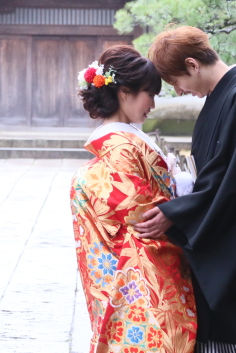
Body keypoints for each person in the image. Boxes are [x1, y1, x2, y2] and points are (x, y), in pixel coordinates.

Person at [134, 26, 236, 352]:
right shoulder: (220, 101)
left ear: (193, 65)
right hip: (228, 237)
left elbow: (232, 184)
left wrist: (173, 214)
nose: (179, 92)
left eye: (176, 82)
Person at [71, 45, 197, 353]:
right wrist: (183, 195)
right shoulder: (119, 147)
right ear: (124, 92)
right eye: (149, 94)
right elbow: (144, 215)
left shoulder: (123, 140)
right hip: (139, 271)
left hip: (136, 264)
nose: (152, 104)